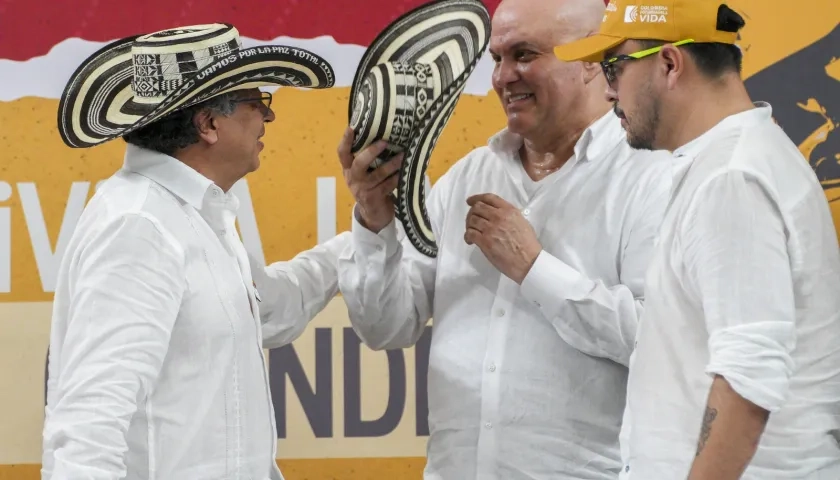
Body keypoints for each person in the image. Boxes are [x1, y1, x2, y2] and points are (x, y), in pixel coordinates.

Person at [335, 0, 676, 477]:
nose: (502, 77)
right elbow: (385, 328)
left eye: (525, 54)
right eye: (496, 59)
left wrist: (534, 269)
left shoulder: (651, 177)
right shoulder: (466, 177)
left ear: (591, 61)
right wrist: (375, 223)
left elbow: (661, 342)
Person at [42, 24, 344, 479]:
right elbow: (89, 424)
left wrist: (362, 238)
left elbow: (269, 307)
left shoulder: (186, 216)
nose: (268, 118)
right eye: (257, 102)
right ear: (207, 124)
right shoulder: (140, 226)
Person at [553, 1, 840, 479]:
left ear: (669, 64)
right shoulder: (734, 161)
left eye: (615, 68)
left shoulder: (731, 178)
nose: (607, 92)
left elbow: (749, 374)